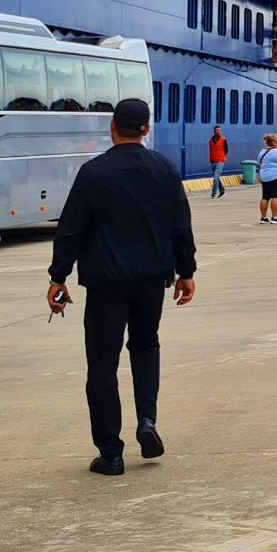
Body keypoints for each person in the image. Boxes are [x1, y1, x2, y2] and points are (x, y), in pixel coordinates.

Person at [47, 98, 196, 477]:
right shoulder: (164, 169)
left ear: (112, 127)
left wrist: (58, 276)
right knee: (146, 346)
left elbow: (72, 229)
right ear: (146, 129)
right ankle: (147, 420)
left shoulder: (94, 173)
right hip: (152, 281)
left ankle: (111, 453)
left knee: (102, 363)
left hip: (106, 283)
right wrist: (186, 271)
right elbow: (180, 225)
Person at [256, 135, 277, 223]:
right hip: (276, 176)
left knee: (265, 196)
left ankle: (263, 217)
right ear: (274, 142)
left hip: (264, 176)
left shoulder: (262, 152)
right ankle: (274, 217)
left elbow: (259, 164)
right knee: (275, 196)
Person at [206, 126, 228, 200]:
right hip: (212, 161)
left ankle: (213, 194)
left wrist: (222, 157)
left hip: (220, 161)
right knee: (217, 178)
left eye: (219, 130)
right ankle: (222, 191)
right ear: (214, 131)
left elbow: (226, 150)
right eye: (217, 130)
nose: (218, 131)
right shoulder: (210, 141)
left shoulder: (223, 139)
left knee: (216, 178)